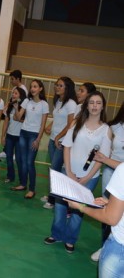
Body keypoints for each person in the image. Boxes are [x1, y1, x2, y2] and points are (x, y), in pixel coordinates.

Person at [44, 91, 112, 253]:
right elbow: (67, 146)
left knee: (78, 210)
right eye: (92, 103)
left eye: (98, 103)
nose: (95, 106)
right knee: (60, 206)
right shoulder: (76, 123)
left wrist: (87, 177)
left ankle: (70, 239)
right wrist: (68, 171)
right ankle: (57, 234)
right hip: (68, 171)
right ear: (86, 105)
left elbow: (102, 157)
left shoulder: (106, 130)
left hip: (89, 177)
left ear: (103, 106)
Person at [65, 162, 124, 277]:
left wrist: (81, 207)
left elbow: (110, 218)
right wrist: (114, 204)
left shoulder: (123, 170)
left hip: (120, 248)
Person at [90, 101, 124, 261]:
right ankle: (106, 245)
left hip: (117, 168)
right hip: (112, 173)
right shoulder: (114, 127)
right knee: (108, 209)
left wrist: (106, 160)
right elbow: (105, 150)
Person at [42, 77, 77, 209]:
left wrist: (58, 137)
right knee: (53, 169)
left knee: (55, 170)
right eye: (57, 85)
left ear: (67, 88)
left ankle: (53, 200)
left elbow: (70, 124)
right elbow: (58, 118)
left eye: (60, 85)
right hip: (53, 139)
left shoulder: (71, 104)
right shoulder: (58, 102)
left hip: (61, 142)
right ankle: (52, 195)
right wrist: (50, 126)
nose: (57, 87)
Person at [13, 79, 49, 198]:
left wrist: (38, 139)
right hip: (23, 133)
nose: (32, 89)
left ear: (40, 89)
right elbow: (18, 117)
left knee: (29, 162)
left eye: (35, 86)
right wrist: (16, 106)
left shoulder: (44, 104)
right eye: (31, 87)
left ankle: (32, 189)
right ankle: (23, 184)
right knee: (23, 162)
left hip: (34, 135)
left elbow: (43, 124)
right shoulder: (27, 101)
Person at [0, 69, 28, 159]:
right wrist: (6, 107)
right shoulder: (14, 88)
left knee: (16, 134)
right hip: (12, 112)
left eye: (13, 79)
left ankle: (15, 153)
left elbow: (21, 102)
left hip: (19, 114)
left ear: (18, 79)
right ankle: (6, 151)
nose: (11, 81)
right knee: (9, 130)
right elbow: (11, 100)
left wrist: (16, 110)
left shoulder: (23, 89)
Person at [1, 87, 26, 184]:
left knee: (19, 159)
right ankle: (10, 176)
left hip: (20, 137)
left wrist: (17, 108)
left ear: (21, 96)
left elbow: (21, 119)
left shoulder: (24, 108)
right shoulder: (10, 106)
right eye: (13, 93)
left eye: (16, 93)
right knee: (9, 158)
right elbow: (6, 122)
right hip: (10, 136)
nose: (13, 95)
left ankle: (21, 179)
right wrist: (3, 136)